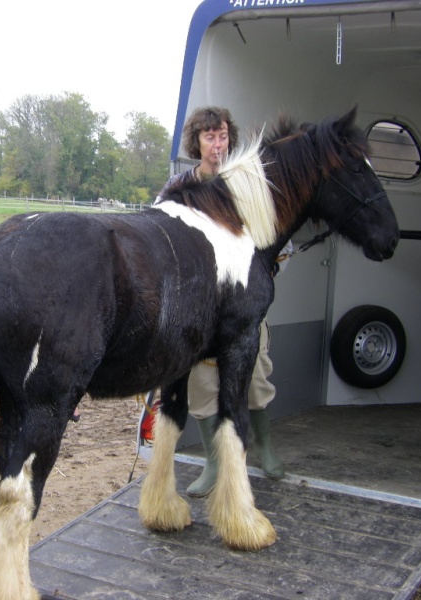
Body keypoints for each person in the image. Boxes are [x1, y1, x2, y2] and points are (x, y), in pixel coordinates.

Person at [157, 106, 287, 498]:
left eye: (223, 136)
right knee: (201, 387)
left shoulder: (248, 183)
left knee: (256, 379)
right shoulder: (178, 188)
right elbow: (161, 241)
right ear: (196, 143)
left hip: (242, 306)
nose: (218, 144)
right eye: (209, 137)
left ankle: (263, 447)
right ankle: (213, 465)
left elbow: (276, 239)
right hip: (198, 308)